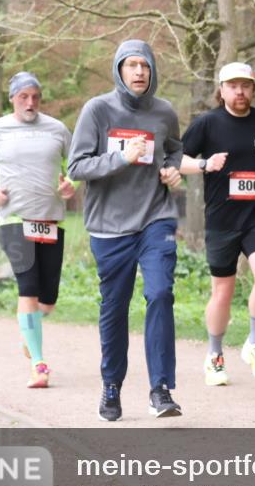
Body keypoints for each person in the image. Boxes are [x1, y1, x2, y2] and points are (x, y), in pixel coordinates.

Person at [68, 40, 184, 421]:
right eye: (131, 65)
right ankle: (112, 386)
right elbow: (77, 167)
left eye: (145, 66)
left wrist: (172, 169)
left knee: (161, 293)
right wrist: (121, 158)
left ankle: (160, 389)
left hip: (156, 217)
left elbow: (174, 150)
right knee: (115, 308)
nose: (139, 72)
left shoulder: (164, 112)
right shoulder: (98, 110)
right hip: (110, 226)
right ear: (119, 70)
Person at [0, 72, 76, 388]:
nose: (30, 103)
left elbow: (77, 163)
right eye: (23, 97)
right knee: (27, 287)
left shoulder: (57, 129)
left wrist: (73, 183)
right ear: (12, 98)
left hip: (50, 220)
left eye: (35, 97)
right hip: (14, 219)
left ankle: (29, 330)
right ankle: (39, 365)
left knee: (48, 301)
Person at [180, 62, 255, 386]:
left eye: (245, 86)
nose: (240, 92)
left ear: (253, 89)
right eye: (233, 86)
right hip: (222, 220)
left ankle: (254, 343)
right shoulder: (207, 124)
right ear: (221, 90)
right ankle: (214, 355)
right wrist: (204, 163)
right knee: (222, 292)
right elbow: (176, 159)